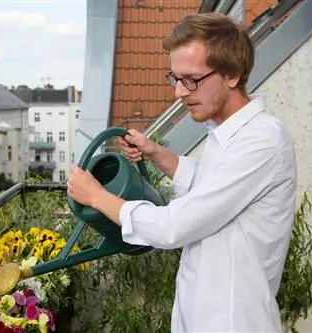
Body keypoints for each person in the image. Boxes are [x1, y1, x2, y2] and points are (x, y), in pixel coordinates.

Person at [67, 12, 297, 333]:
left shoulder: (262, 142)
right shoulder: (229, 133)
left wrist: (97, 197)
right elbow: (212, 189)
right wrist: (159, 154)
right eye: (175, 79)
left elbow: (174, 225)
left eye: (191, 80)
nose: (179, 92)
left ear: (231, 75)